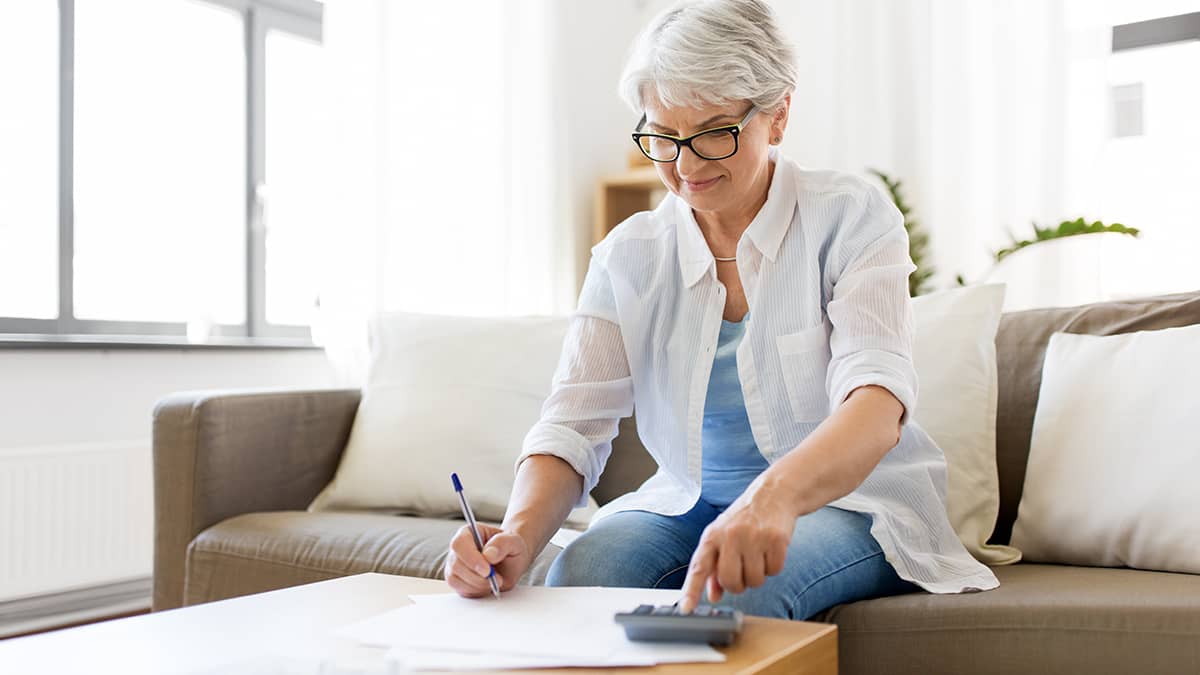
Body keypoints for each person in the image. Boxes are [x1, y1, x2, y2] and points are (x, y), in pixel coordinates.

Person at [443, 0, 999, 620]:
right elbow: (573, 425)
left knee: (741, 585)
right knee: (582, 571)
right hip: (688, 506)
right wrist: (517, 533)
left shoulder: (850, 218)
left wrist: (773, 499)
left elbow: (875, 403)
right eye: (663, 137)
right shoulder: (630, 256)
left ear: (778, 114)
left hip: (852, 504)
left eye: (711, 134)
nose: (684, 166)